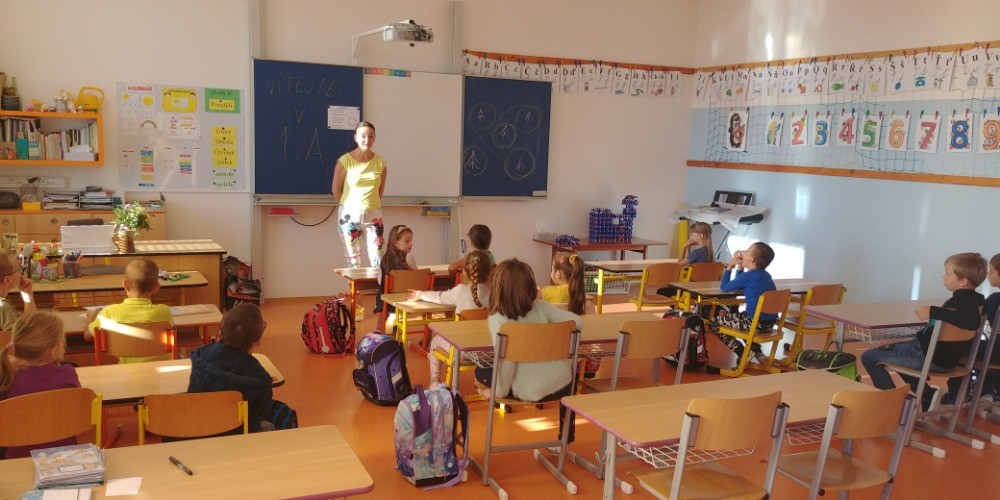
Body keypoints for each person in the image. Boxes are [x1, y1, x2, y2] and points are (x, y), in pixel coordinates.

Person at [861, 252, 986, 411]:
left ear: (963, 281)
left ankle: (892, 404)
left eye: (948, 274)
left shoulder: (963, 299)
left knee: (869, 357)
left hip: (928, 357)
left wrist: (934, 312)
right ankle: (927, 395)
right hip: (942, 357)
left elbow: (972, 321)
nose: (943, 277)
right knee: (896, 350)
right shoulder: (977, 299)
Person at [476, 258, 584, 440]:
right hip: (562, 385)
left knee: (480, 370)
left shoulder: (498, 320)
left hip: (527, 390)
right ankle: (564, 439)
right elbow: (577, 323)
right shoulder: (543, 307)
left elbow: (506, 364)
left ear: (497, 289)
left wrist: (495, 393)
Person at [189, 303, 293, 433]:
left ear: (221, 333)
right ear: (258, 340)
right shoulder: (260, 377)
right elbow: (262, 414)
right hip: (237, 436)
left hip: (193, 430)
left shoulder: (201, 354)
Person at [0, 312, 80, 458]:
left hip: (18, 461)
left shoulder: (8, 379)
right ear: (53, 350)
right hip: (65, 458)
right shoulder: (68, 374)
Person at [409, 250, 492, 388]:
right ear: (490, 271)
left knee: (435, 341)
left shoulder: (461, 291)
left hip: (463, 352)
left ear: (464, 271)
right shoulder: (496, 292)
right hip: (491, 353)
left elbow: (440, 297)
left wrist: (421, 294)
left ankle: (434, 381)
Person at [85, 259, 173, 363]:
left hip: (126, 370)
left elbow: (88, 336)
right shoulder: (164, 311)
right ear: (156, 288)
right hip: (161, 369)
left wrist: (90, 316)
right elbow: (172, 334)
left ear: (125, 285)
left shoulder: (109, 312)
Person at [706, 242, 777, 363]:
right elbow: (739, 285)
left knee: (713, 323)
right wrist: (740, 266)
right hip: (769, 324)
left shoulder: (748, 276)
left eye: (747, 251)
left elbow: (725, 287)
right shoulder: (766, 276)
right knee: (743, 317)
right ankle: (758, 353)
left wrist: (730, 265)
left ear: (752, 259)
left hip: (753, 324)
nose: (743, 253)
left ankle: (742, 353)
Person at [332, 121, 387, 269]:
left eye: (371, 136)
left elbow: (379, 191)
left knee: (378, 260)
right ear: (355, 137)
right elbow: (336, 189)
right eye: (363, 136)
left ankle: (377, 286)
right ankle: (354, 286)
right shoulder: (345, 161)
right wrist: (347, 207)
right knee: (354, 262)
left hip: (373, 216)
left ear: (374, 138)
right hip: (349, 216)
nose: (367, 140)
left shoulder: (381, 163)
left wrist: (369, 206)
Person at [657, 221, 713, 298]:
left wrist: (684, 247)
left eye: (692, 234)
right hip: (704, 290)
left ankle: (674, 306)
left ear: (700, 236)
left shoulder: (697, 252)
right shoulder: (709, 252)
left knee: (661, 291)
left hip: (692, 290)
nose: (690, 237)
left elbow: (678, 265)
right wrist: (688, 247)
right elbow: (688, 263)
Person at [374, 224, 418, 316]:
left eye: (411, 241)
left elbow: (380, 281)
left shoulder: (385, 258)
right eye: (407, 241)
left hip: (387, 302)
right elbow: (418, 277)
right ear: (395, 242)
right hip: (406, 300)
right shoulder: (409, 256)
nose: (411, 244)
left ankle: (382, 323)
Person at [0, 254, 36, 330]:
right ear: (7, 280)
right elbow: (30, 331)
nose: (21, 273)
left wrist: (27, 293)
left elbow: (29, 321)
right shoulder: (3, 307)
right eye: (19, 269)